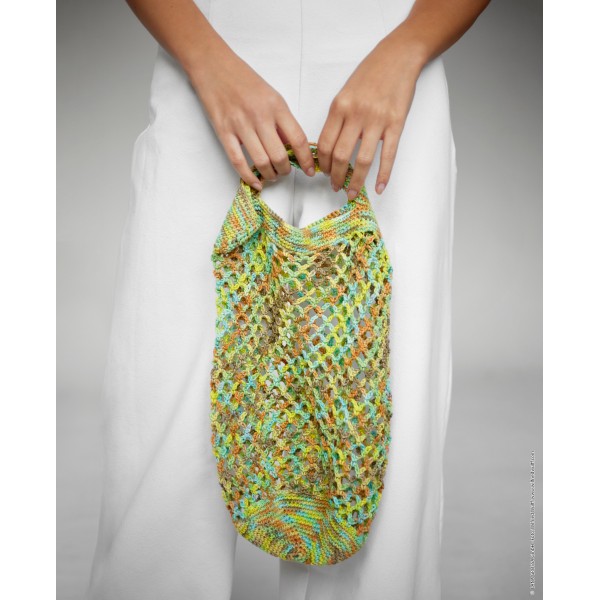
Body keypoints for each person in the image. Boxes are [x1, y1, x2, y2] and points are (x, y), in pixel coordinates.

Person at [85, 0, 490, 598]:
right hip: (211, 56)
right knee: (165, 427)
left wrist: (409, 46)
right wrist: (205, 58)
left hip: (389, 69)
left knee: (376, 432)